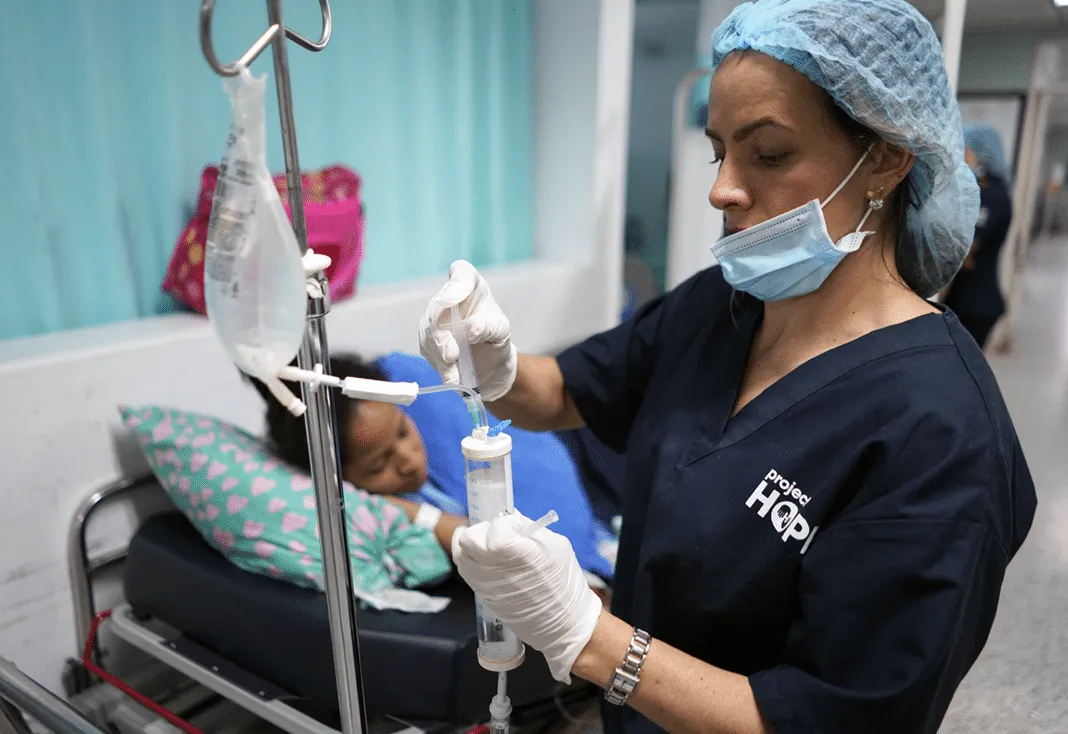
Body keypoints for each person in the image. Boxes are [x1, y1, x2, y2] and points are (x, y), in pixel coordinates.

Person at [416, 2, 1037, 733]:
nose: (722, 188)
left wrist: (590, 637)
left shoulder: (942, 434)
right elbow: (567, 392)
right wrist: (497, 363)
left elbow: (833, 718)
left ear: (888, 159)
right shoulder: (725, 305)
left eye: (767, 153)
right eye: (719, 151)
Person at [245, 353, 616, 594]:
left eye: (404, 432)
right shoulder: (382, 509)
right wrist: (409, 511)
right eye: (379, 464)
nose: (407, 460)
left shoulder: (425, 415)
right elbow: (487, 545)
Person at [943, 124, 1015, 348]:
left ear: (982, 153)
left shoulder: (992, 192)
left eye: (966, 149)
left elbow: (965, 249)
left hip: (976, 301)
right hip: (967, 297)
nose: (962, 155)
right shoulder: (984, 188)